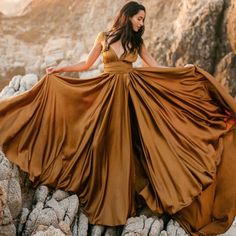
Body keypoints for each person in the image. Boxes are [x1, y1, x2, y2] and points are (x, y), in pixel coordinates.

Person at [0, 1, 236, 235]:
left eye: (143, 20)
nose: (141, 23)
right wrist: (60, 71)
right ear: (127, 15)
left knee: (132, 148)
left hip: (131, 97)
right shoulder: (103, 36)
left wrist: (182, 71)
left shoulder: (138, 42)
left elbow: (155, 67)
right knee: (100, 143)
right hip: (105, 94)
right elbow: (86, 65)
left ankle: (131, 198)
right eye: (139, 18)